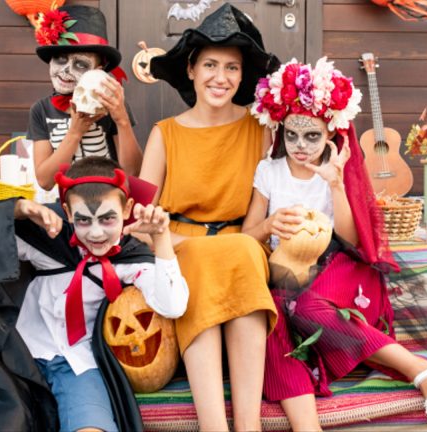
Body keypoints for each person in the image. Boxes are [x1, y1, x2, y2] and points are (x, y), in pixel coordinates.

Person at [242, 58, 427, 432]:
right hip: (285, 269)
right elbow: (247, 235)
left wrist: (334, 184)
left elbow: (350, 238)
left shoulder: (336, 168)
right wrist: (268, 225)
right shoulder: (269, 170)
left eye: (311, 136)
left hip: (338, 266)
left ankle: (421, 370)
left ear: (330, 132)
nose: (299, 145)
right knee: (275, 318)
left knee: (308, 306)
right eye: (291, 135)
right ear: (280, 129)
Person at [0, 157, 188, 431]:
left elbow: (173, 306)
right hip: (18, 359)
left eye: (108, 218)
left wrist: (161, 239)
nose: (96, 233)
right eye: (84, 220)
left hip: (78, 364)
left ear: (127, 210)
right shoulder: (51, 239)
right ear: (67, 211)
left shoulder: (130, 259)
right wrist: (19, 208)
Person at [139, 4, 280, 430]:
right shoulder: (165, 134)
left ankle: (247, 423)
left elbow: (260, 221)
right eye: (211, 65)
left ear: (242, 77)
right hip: (178, 247)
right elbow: (142, 223)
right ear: (191, 69)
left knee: (237, 252)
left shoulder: (260, 130)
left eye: (232, 68)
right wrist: (176, 244)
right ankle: (215, 424)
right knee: (209, 260)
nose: (221, 77)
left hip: (243, 244)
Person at [28, 5, 142, 190]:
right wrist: (75, 132)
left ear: (98, 72)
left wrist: (122, 120)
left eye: (80, 64)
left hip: (111, 200)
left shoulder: (111, 106)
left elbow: (133, 173)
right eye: (60, 59)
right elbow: (45, 182)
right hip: (69, 204)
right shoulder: (41, 110)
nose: (65, 71)